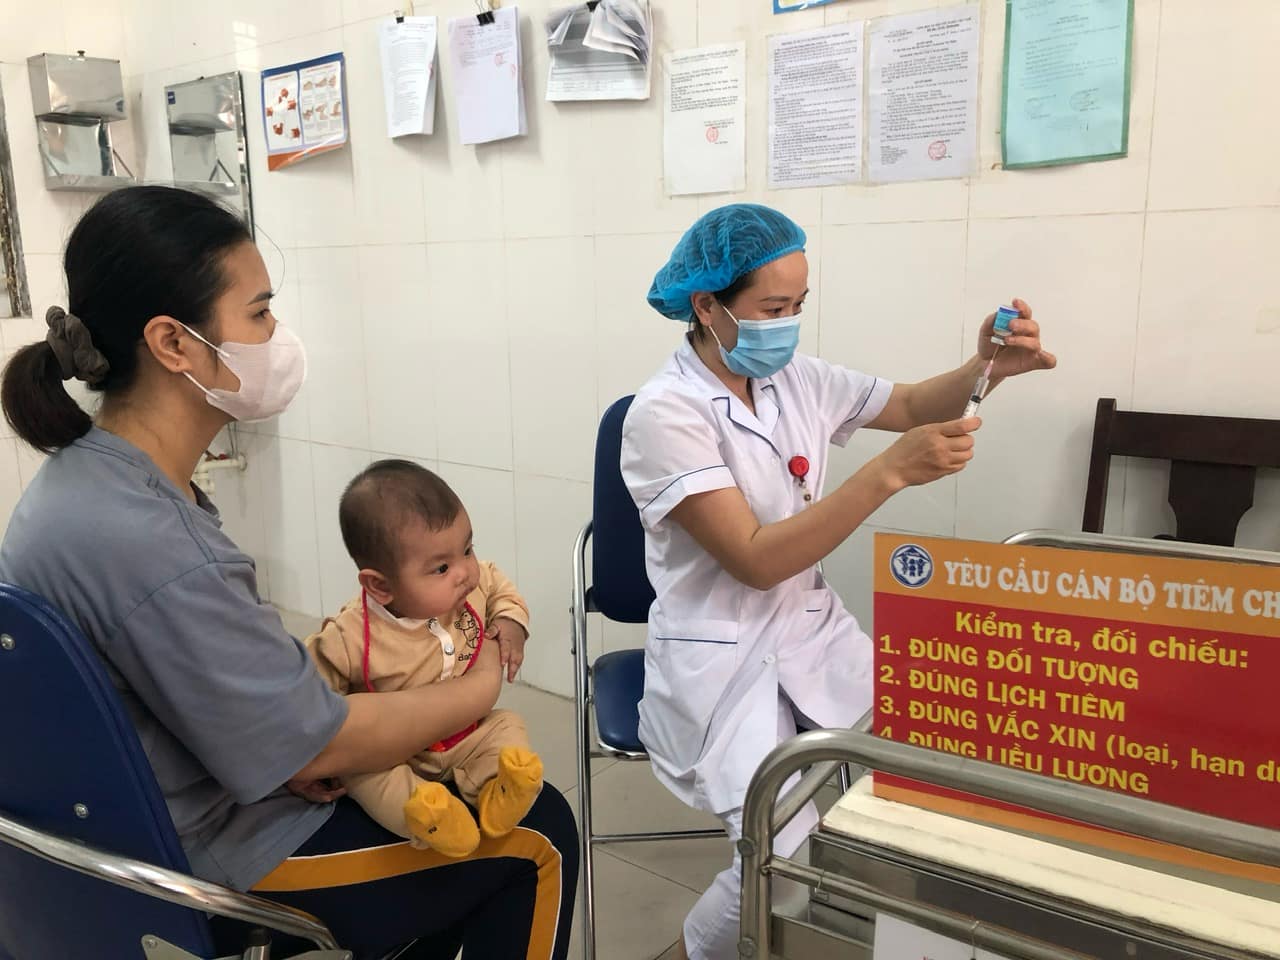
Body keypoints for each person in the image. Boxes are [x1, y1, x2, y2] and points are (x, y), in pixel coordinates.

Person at [0, 186, 577, 960]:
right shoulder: (150, 540)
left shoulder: (82, 485)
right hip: (210, 853)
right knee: (541, 837)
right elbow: (320, 745)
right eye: (260, 313)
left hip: (113, 827)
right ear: (174, 343)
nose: (278, 337)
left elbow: (209, 696)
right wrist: (477, 688)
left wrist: (291, 746)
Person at [620, 203, 1056, 960]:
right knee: (783, 863)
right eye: (771, 308)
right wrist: (886, 475)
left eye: (798, 307)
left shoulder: (797, 378)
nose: (786, 325)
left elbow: (917, 404)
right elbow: (755, 557)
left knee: (941, 753)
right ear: (706, 305)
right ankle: (698, 951)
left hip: (810, 630)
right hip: (721, 661)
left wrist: (987, 365)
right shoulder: (665, 414)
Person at [306, 460, 543, 858]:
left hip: (468, 731)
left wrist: (510, 621)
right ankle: (429, 816)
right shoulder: (349, 637)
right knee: (365, 775)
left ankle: (498, 792)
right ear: (380, 586)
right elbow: (307, 690)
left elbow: (500, 587)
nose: (466, 571)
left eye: (467, 548)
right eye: (442, 567)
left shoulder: (473, 581)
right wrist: (311, 754)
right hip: (396, 752)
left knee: (507, 727)